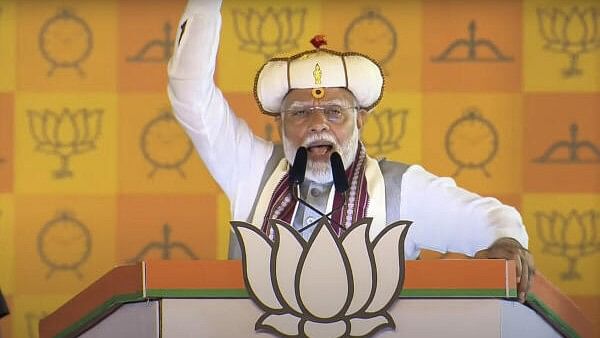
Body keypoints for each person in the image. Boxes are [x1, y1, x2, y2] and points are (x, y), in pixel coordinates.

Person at [167, 0, 534, 302]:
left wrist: (507, 243)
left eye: (334, 112)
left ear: (360, 121)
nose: (317, 125)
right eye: (299, 113)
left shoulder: (399, 189)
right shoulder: (250, 168)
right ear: (279, 122)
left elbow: (492, 222)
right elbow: (190, 93)